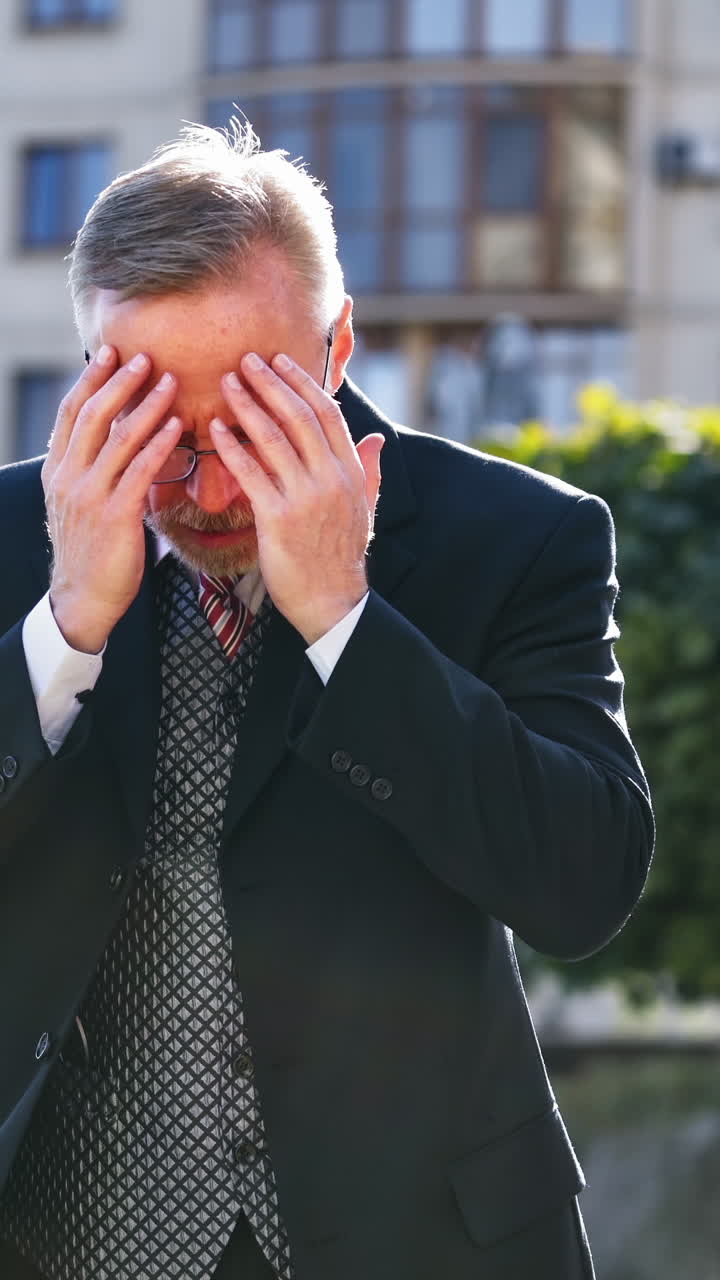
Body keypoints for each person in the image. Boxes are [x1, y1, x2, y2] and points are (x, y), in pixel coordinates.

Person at [0, 121, 653, 1280]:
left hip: (420, 1239)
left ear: (337, 346)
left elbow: (580, 884)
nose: (202, 490)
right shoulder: (10, 538)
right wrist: (63, 629)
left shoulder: (517, 536)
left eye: (249, 420)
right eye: (157, 422)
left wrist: (349, 624)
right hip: (65, 1235)